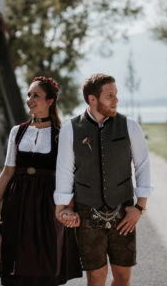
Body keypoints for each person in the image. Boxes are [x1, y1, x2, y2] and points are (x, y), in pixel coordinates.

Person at [0, 76, 82, 286]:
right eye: (28, 95)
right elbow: (7, 172)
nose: (30, 99)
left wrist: (69, 208)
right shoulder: (17, 131)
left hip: (47, 205)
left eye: (36, 95)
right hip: (17, 202)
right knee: (14, 257)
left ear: (50, 101)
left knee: (45, 260)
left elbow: (70, 176)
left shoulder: (60, 135)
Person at [54, 73, 153, 286]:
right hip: (86, 212)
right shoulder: (71, 129)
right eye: (110, 95)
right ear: (92, 99)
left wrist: (140, 207)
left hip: (123, 212)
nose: (116, 100)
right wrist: (63, 207)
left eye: (116, 94)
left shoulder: (130, 126)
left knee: (123, 278)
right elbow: (64, 171)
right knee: (96, 278)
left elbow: (143, 166)